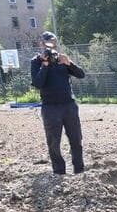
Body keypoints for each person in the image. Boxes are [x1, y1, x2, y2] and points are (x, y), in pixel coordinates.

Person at [30, 31, 86, 175]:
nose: (50, 46)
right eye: (47, 43)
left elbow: (81, 74)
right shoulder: (36, 62)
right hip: (50, 108)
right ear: (41, 44)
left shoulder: (61, 59)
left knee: (76, 139)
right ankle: (59, 171)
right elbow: (38, 83)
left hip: (69, 105)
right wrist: (45, 65)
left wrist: (69, 63)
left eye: (53, 43)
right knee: (53, 142)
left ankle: (79, 169)